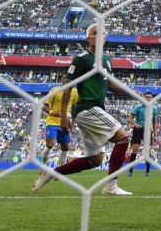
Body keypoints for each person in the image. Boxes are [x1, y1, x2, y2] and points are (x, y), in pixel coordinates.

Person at [31, 24, 133, 196]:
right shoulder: (81, 59)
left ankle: (51, 173)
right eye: (95, 33)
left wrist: (131, 92)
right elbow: (67, 87)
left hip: (94, 110)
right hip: (87, 107)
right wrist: (63, 118)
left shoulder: (107, 59)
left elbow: (110, 85)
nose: (99, 35)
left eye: (103, 33)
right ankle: (111, 187)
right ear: (88, 38)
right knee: (123, 138)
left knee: (95, 160)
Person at [40, 85, 78, 166]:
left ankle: (60, 169)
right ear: (62, 79)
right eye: (64, 79)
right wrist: (51, 112)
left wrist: (73, 123)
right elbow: (44, 106)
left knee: (65, 147)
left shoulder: (75, 92)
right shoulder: (55, 90)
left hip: (65, 122)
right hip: (52, 121)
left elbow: (74, 108)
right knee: (50, 144)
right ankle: (43, 166)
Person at [128, 91, 158, 177]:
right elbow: (130, 119)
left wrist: (155, 132)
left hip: (148, 130)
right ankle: (130, 170)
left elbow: (154, 121)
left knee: (148, 151)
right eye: (146, 97)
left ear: (152, 98)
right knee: (135, 150)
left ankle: (147, 171)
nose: (148, 98)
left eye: (149, 97)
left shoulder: (154, 108)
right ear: (143, 98)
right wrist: (136, 124)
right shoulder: (138, 107)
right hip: (138, 130)